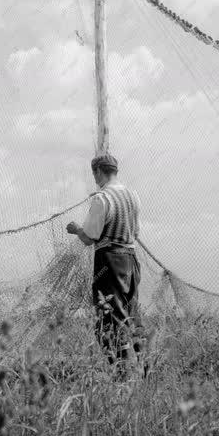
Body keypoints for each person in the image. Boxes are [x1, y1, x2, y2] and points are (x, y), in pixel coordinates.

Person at [66, 154, 143, 371]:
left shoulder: (102, 199)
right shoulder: (133, 196)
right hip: (131, 260)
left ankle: (121, 374)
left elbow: (89, 237)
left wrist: (76, 230)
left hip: (109, 262)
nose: (94, 178)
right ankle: (146, 369)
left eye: (94, 173)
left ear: (99, 171)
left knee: (109, 318)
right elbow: (135, 232)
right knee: (132, 314)